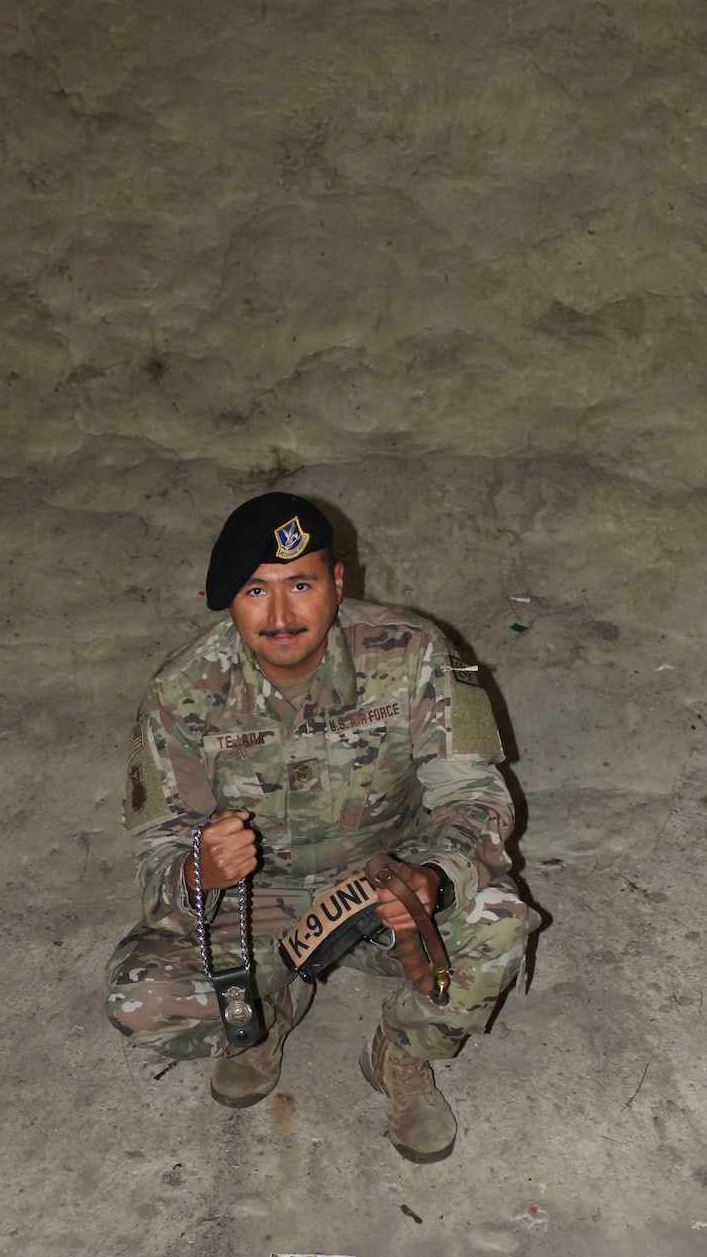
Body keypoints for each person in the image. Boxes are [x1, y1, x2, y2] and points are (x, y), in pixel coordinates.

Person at [104, 492, 535, 1162]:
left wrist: (433, 878)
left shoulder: (412, 653)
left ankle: (398, 1050)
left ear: (337, 583)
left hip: (382, 890)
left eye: (299, 584)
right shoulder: (182, 691)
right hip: (256, 904)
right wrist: (197, 874)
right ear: (228, 602)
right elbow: (157, 843)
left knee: (497, 921)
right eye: (256, 590)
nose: (280, 615)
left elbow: (476, 797)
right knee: (144, 1000)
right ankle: (269, 1012)